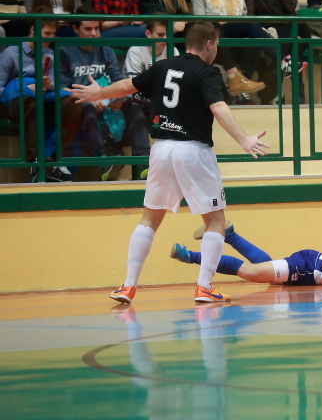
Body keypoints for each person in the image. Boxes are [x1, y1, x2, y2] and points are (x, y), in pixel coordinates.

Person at [69, 22, 270, 303]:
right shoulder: (207, 72)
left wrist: (98, 94)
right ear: (209, 44)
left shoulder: (164, 66)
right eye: (217, 45)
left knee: (149, 219)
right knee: (215, 220)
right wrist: (244, 140)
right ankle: (204, 287)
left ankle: (127, 286)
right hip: (193, 150)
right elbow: (218, 107)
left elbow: (128, 85)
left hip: (161, 150)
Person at [170, 225, 322, 286]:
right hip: (309, 265)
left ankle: (230, 234)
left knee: (265, 267)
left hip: (310, 276)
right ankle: (191, 256)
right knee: (252, 273)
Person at [58, 19, 151, 181]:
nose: (94, 34)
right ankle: (103, 162)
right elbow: (61, 88)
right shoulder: (64, 51)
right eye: (88, 29)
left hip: (106, 98)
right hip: (80, 102)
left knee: (134, 106)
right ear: (75, 29)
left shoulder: (105, 50)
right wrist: (88, 97)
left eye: (96, 29)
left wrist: (116, 98)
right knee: (86, 107)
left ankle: (144, 163)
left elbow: (118, 80)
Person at [0, 17, 80, 182]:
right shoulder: (11, 52)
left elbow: (53, 85)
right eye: (47, 33)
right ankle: (35, 162)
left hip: (42, 99)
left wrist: (48, 84)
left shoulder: (49, 54)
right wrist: (24, 88)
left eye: (53, 34)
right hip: (16, 102)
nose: (51, 38)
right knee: (31, 104)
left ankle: (57, 160)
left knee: (72, 103)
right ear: (33, 30)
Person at [192, 0, 267, 99]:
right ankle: (281, 58)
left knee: (251, 43)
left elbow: (243, 14)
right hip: (213, 36)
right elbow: (199, 23)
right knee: (243, 24)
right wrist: (225, 23)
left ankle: (241, 89)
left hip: (236, 34)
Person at [243, 0, 309, 104]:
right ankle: (291, 84)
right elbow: (250, 12)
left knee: (298, 36)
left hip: (285, 22)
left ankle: (291, 86)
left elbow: (291, 7)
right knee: (291, 42)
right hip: (264, 26)